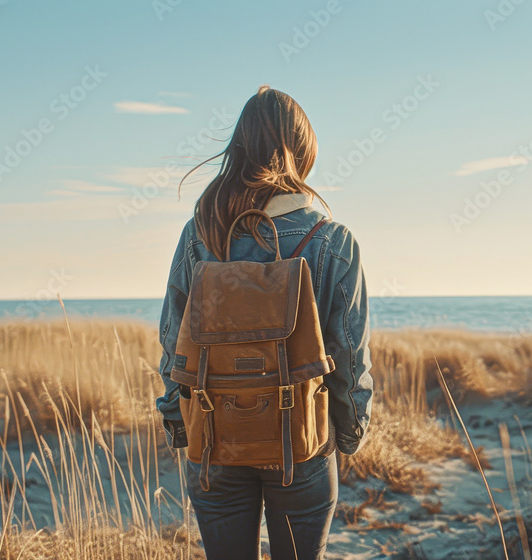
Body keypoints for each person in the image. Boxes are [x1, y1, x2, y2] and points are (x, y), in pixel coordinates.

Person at [155, 85, 373, 560]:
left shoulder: (201, 233)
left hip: (213, 436)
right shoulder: (331, 240)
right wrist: (349, 432)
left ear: (238, 149)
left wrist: (180, 424)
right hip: (303, 442)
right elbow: (349, 357)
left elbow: (175, 345)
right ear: (302, 152)